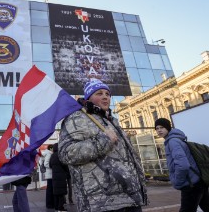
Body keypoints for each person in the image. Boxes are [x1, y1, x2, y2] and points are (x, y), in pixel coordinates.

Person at [58, 78, 148, 212]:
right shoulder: (76, 118)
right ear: (88, 98)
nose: (105, 97)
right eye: (99, 93)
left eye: (107, 94)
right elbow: (66, 154)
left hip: (131, 197)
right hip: (102, 203)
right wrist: (104, 140)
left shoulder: (112, 121)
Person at [155, 118, 209, 212]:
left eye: (162, 127)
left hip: (191, 184)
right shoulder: (176, 139)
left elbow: (183, 165)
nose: (159, 130)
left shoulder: (172, 142)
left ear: (168, 128)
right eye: (157, 128)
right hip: (198, 181)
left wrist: (178, 182)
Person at [49, 143, 69, 212]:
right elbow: (65, 165)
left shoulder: (52, 156)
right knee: (61, 193)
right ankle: (61, 208)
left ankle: (57, 207)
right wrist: (67, 173)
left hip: (54, 176)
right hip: (61, 176)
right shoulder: (60, 155)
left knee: (56, 192)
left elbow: (50, 165)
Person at [41, 144, 54, 209]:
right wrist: (52, 166)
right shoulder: (49, 154)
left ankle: (49, 204)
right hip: (50, 174)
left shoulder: (47, 153)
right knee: (50, 190)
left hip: (49, 174)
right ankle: (49, 204)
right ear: (51, 148)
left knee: (49, 190)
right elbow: (46, 164)